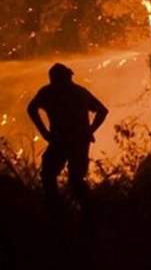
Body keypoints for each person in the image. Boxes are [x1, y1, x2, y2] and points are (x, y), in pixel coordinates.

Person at [27, 63, 109, 220]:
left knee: (49, 175)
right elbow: (102, 111)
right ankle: (88, 216)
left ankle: (58, 213)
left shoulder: (49, 92)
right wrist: (90, 131)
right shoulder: (79, 92)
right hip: (78, 141)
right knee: (76, 179)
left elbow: (31, 108)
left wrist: (44, 132)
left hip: (61, 140)